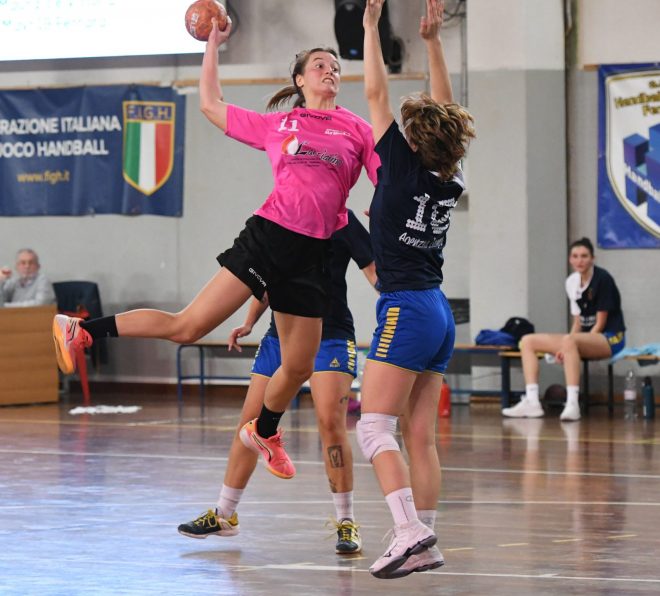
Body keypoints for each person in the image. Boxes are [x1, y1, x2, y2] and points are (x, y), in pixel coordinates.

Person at [52, 16, 379, 481]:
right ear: (300, 80)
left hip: (313, 255)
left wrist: (387, 212)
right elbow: (210, 104)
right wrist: (212, 45)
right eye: (319, 65)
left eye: (335, 67)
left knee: (298, 365)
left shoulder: (358, 129)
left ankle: (264, 431)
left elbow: (385, 180)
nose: (330, 71)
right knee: (187, 327)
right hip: (269, 239)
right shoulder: (280, 124)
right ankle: (82, 330)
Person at [178, 209, 376, 555]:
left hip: (330, 335)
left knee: (330, 422)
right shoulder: (286, 214)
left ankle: (346, 521)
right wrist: (250, 321)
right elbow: (267, 278)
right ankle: (225, 515)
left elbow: (375, 273)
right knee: (250, 424)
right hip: (280, 335)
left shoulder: (343, 219)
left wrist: (405, 303)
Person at [357, 0, 475, 579]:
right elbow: (447, 110)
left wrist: (370, 27)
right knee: (420, 436)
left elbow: (375, 92)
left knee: (373, 426)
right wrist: (432, 43)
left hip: (406, 306)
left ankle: (408, 531)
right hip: (438, 311)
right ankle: (425, 538)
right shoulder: (448, 175)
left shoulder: (399, 169)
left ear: (409, 139)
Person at [502, 237, 625, 422]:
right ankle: (532, 401)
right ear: (570, 259)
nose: (579, 260)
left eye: (584, 256)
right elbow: (578, 322)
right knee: (527, 341)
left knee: (569, 340)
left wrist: (570, 345)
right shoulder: (571, 282)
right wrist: (567, 347)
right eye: (575, 256)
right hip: (582, 339)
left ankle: (572, 404)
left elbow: (599, 324)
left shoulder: (603, 279)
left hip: (610, 338)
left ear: (592, 258)